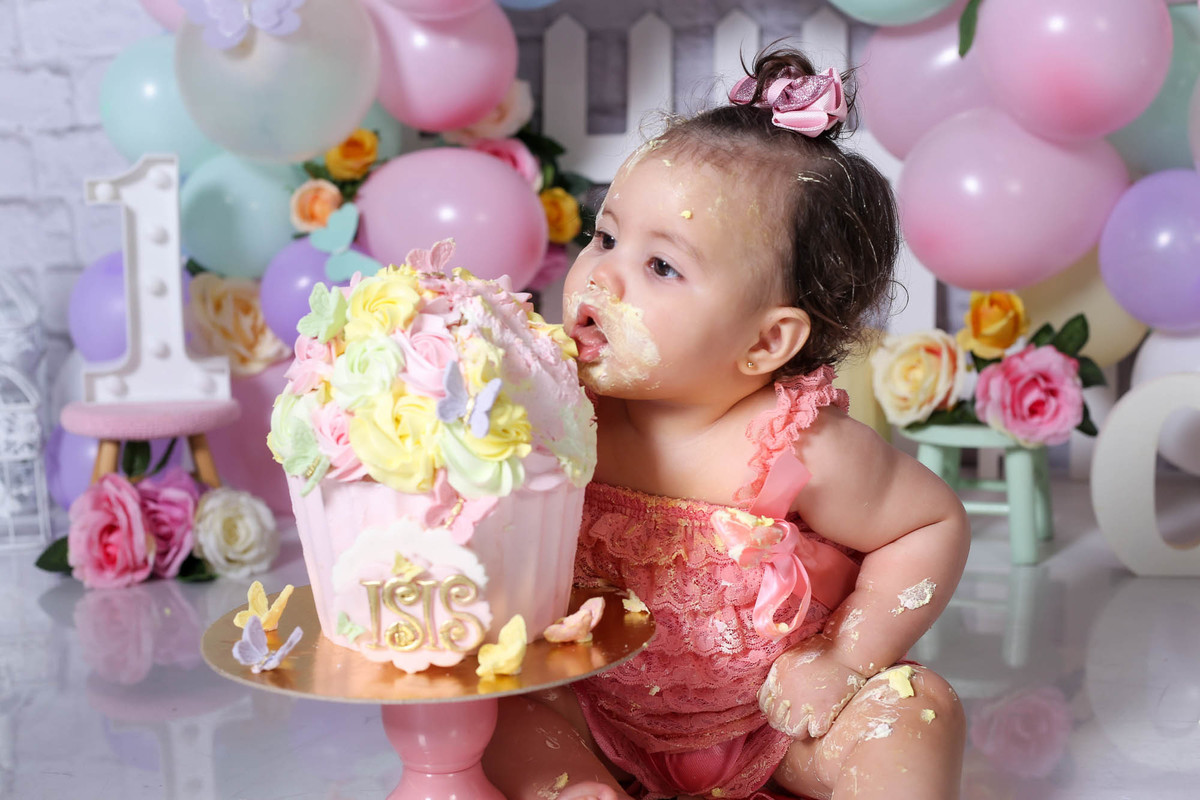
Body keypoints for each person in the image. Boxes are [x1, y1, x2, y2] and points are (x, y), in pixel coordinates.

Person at [482, 46, 970, 800]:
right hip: (595, 712)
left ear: (766, 342)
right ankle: (585, 791)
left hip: (775, 727)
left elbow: (928, 525)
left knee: (915, 715)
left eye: (662, 267)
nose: (600, 276)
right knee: (500, 712)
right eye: (605, 238)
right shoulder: (561, 409)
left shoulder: (798, 444)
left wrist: (846, 659)